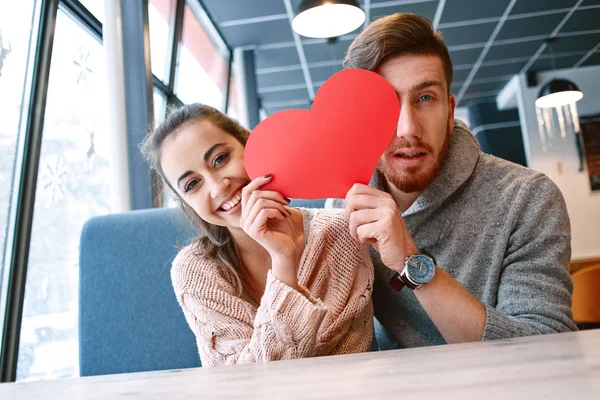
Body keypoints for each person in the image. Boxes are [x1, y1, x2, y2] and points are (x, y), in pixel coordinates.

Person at [327, 13, 578, 349]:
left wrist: (409, 261)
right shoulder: (342, 209)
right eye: (383, 104)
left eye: (425, 98)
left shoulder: (528, 198)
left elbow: (548, 349)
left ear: (449, 110)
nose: (407, 128)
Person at [141, 103, 374, 366]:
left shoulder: (341, 234)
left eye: (220, 159)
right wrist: (284, 261)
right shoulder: (195, 271)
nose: (218, 188)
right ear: (186, 202)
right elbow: (248, 387)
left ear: (250, 142)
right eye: (193, 184)